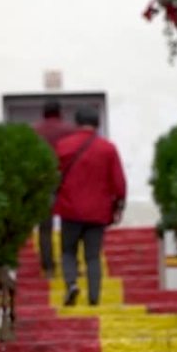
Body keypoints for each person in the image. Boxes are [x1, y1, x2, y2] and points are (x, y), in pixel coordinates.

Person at [53, 106, 126, 306]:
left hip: (69, 209)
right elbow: (118, 182)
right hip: (98, 211)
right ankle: (94, 298)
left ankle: (71, 284)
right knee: (93, 256)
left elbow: (52, 176)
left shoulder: (63, 146)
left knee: (68, 251)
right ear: (98, 124)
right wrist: (119, 205)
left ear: (77, 123)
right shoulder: (108, 148)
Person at [32, 100, 75, 277]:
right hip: (67, 181)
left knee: (45, 227)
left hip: (43, 181)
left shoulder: (34, 131)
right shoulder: (70, 130)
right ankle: (70, 263)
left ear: (44, 113)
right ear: (60, 112)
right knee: (70, 225)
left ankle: (48, 267)